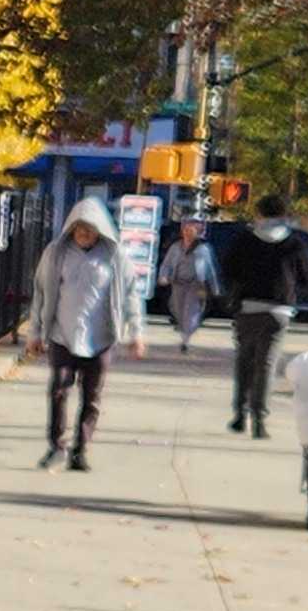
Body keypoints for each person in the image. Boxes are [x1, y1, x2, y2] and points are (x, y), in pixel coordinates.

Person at [27, 193, 140, 473]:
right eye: (79, 229)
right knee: (58, 389)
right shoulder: (56, 253)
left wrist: (136, 331)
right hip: (62, 334)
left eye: (89, 230)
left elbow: (130, 295)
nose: (83, 234)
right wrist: (35, 332)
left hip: (101, 337)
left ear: (99, 231)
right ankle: (57, 446)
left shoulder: (115, 256)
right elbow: (40, 294)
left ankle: (81, 449)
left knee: (92, 396)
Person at [216, 191, 308, 437]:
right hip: (279, 310)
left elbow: (228, 270)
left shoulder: (245, 240)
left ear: (259, 213)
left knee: (244, 361)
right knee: (266, 364)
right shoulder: (294, 243)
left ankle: (239, 413)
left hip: (248, 307)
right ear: (283, 215)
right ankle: (260, 418)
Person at [165, 208, 213, 349]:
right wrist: (163, 276)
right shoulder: (175, 247)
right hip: (177, 283)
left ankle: (186, 338)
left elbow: (210, 270)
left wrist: (212, 288)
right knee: (177, 309)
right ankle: (184, 330)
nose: (188, 232)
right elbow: (167, 264)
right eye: (186, 228)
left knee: (191, 311)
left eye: (192, 229)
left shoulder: (203, 249)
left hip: (195, 285)